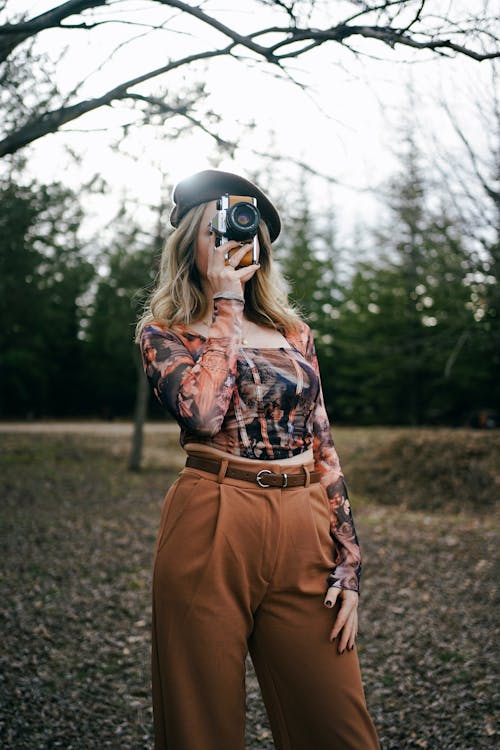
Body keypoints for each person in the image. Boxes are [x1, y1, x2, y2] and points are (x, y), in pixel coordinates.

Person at [136, 169, 380, 750]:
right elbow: (202, 413)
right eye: (217, 227)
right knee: (203, 726)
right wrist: (226, 304)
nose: (232, 241)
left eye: (245, 230)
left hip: (303, 523)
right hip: (212, 518)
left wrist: (349, 561)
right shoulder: (164, 333)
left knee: (338, 727)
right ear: (188, 240)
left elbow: (322, 441)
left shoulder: (293, 332)